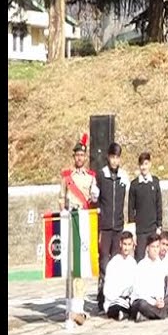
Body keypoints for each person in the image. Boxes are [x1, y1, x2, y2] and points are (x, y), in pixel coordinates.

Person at [61, 133, 96, 324]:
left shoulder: (91, 177)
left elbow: (93, 198)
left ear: (85, 157)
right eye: (77, 156)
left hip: (83, 219)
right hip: (69, 220)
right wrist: (63, 211)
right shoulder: (67, 177)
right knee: (69, 264)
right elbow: (61, 198)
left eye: (82, 155)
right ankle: (68, 304)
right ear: (74, 157)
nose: (79, 158)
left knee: (81, 264)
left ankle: (79, 306)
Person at [94, 142, 129, 311]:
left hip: (118, 226)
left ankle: (116, 295)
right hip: (105, 226)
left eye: (117, 157)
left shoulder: (123, 176)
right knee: (104, 262)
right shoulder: (101, 175)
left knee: (117, 260)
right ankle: (101, 297)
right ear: (108, 157)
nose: (115, 161)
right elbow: (95, 198)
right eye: (112, 157)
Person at [130, 233, 168, 322]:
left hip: (156, 301)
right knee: (142, 304)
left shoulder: (160, 265)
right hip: (143, 301)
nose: (155, 250)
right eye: (153, 247)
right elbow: (139, 292)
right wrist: (153, 302)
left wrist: (160, 300)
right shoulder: (141, 265)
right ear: (148, 248)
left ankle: (147, 316)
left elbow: (160, 287)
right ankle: (167, 313)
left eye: (157, 247)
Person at [129, 152, 163, 258]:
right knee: (139, 257)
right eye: (142, 164)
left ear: (150, 164)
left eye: (146, 163)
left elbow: (159, 205)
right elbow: (130, 208)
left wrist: (159, 225)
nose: (144, 167)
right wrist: (132, 230)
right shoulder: (134, 184)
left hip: (153, 228)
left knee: (154, 257)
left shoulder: (155, 182)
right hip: (140, 230)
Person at [101, 231, 138, 320]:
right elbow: (108, 290)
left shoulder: (133, 263)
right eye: (125, 244)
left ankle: (126, 313)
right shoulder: (113, 263)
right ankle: (124, 314)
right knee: (117, 306)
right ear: (120, 244)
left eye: (129, 244)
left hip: (128, 299)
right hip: (114, 301)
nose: (126, 248)